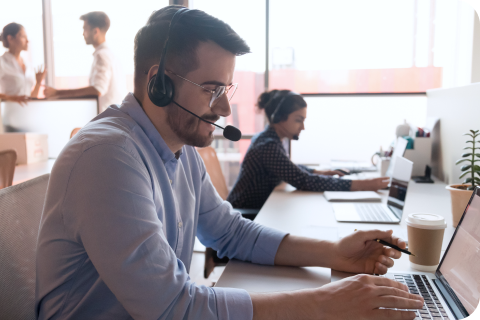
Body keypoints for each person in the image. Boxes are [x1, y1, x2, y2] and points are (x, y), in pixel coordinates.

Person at [36, 6, 423, 320]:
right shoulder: (107, 157)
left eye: (226, 89)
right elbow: (172, 308)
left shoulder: (180, 152)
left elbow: (230, 233)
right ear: (159, 83)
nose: (223, 108)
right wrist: (323, 303)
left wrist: (333, 252)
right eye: (212, 89)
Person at [227, 90, 390, 209]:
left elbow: (287, 167)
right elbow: (302, 181)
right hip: (244, 214)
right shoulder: (268, 145)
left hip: (256, 209)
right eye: (298, 120)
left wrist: (318, 172)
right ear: (279, 118)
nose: (303, 127)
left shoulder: (272, 139)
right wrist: (361, 185)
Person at [44, 11, 125, 113]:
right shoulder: (110, 55)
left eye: (85, 29)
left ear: (96, 31)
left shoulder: (102, 55)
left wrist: (57, 93)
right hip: (110, 118)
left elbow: (97, 89)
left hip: (106, 119)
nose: (83, 33)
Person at [0, 22, 46, 132]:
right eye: (23, 36)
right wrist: (13, 98)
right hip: (11, 121)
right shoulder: (2, 63)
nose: (27, 40)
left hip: (29, 120)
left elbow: (30, 98)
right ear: (10, 38)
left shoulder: (27, 64)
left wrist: (38, 83)